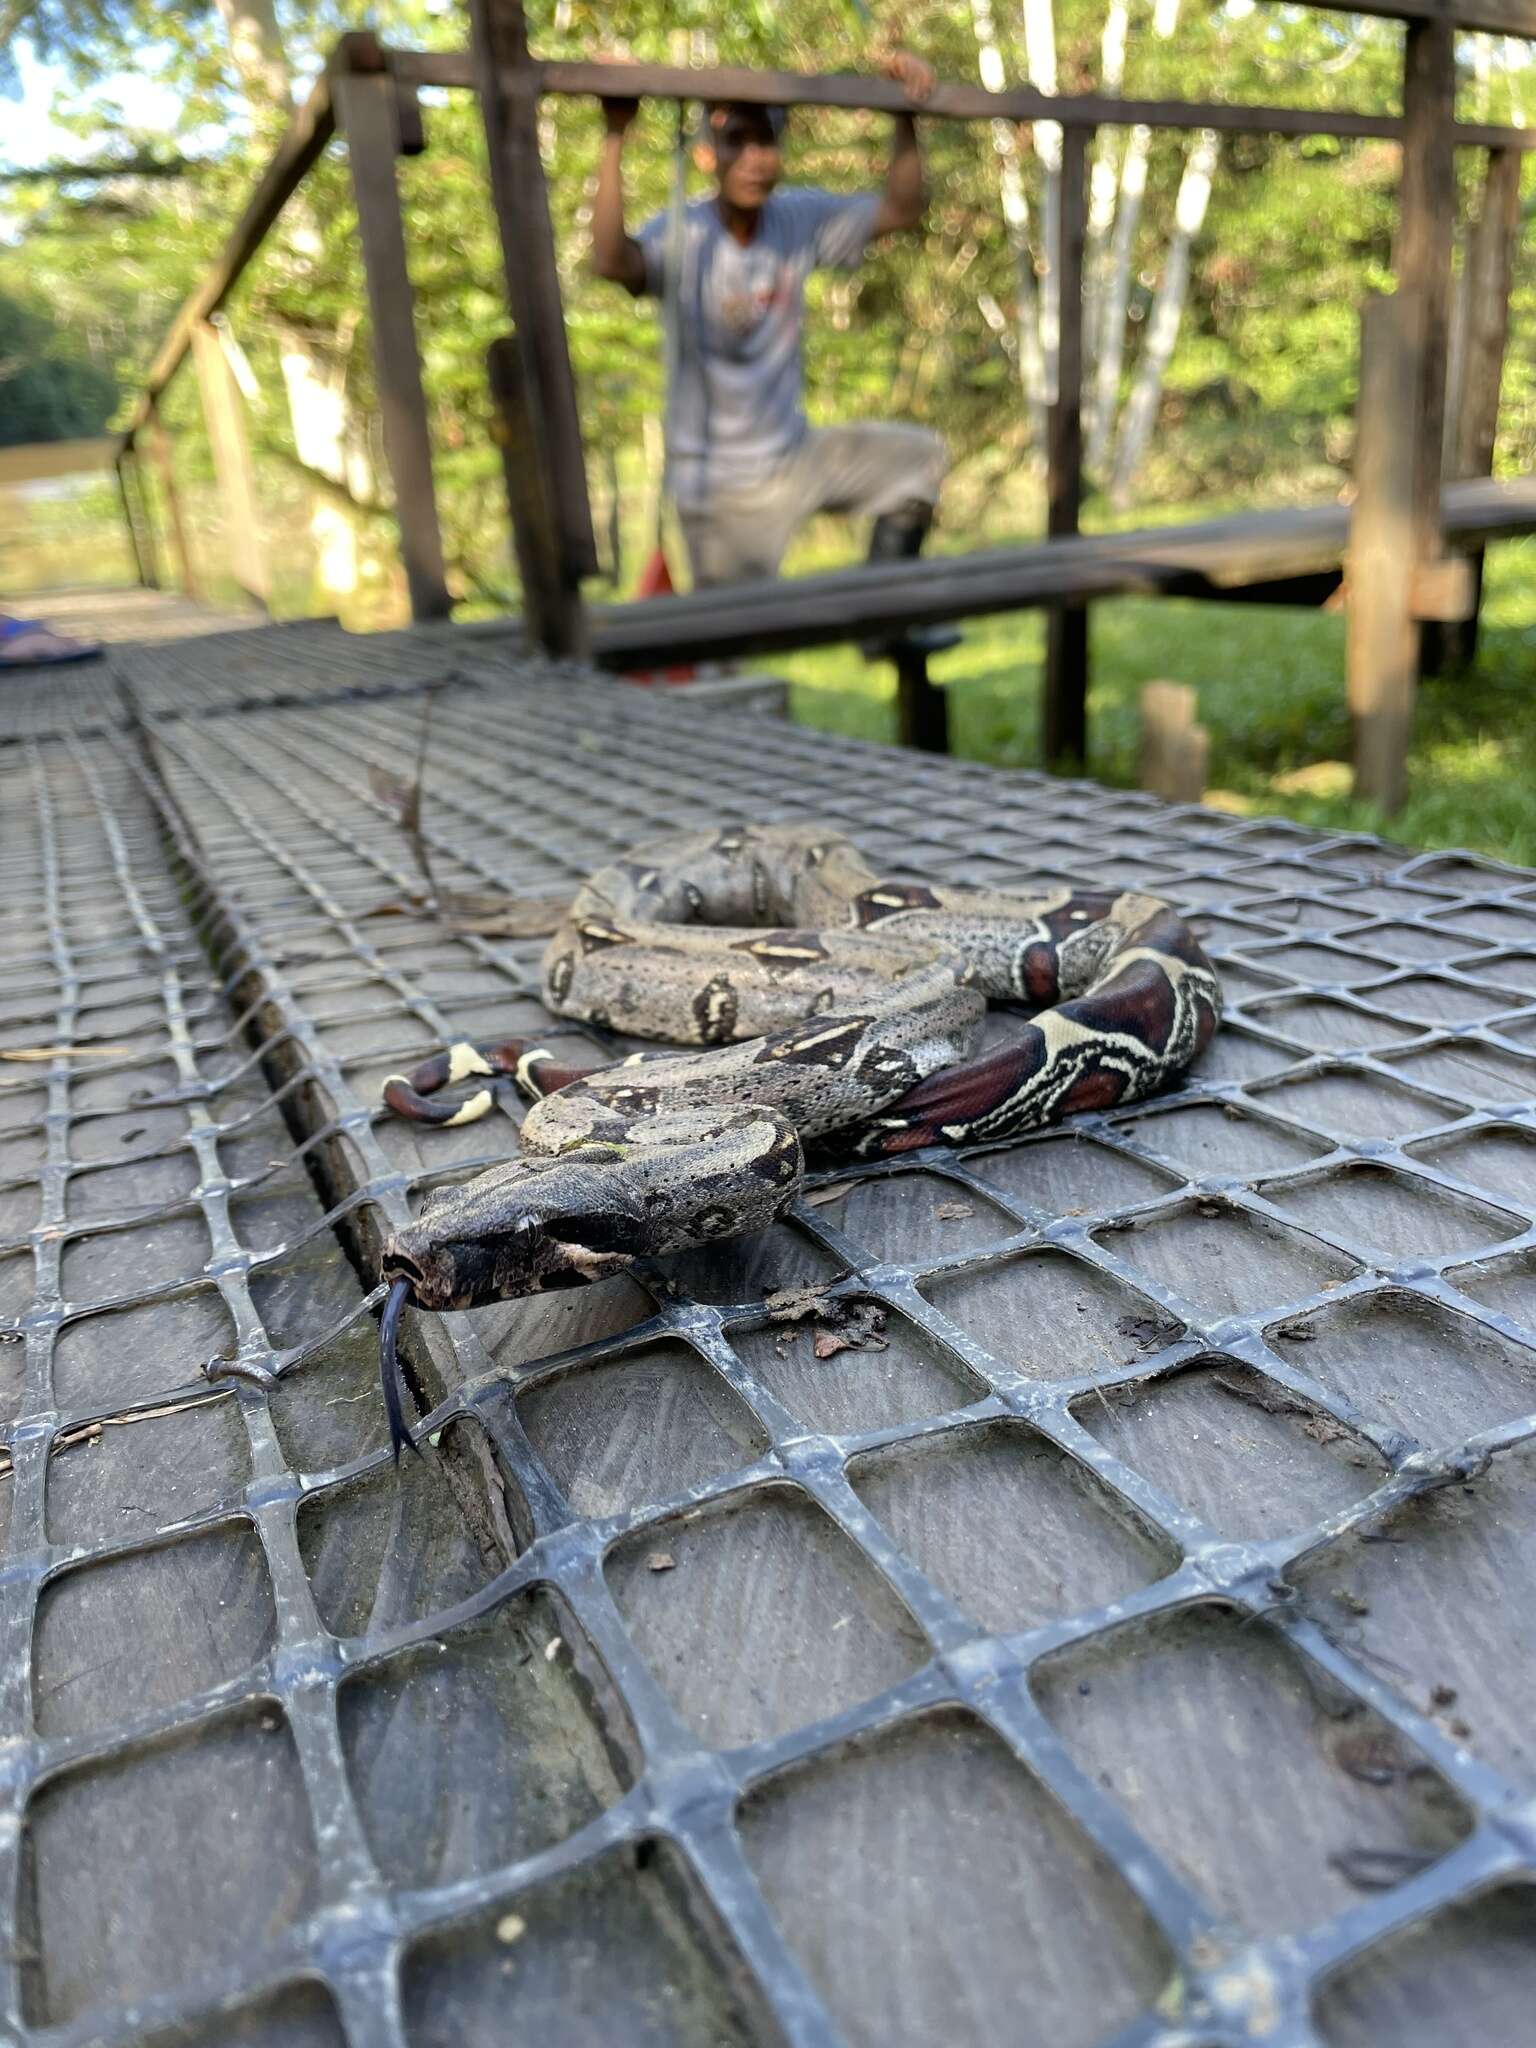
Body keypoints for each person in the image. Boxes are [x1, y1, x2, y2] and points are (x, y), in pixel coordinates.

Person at [591, 54, 947, 592]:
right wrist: (615, 134)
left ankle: (885, 625)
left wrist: (903, 114)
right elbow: (612, 261)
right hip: (719, 487)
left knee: (920, 461)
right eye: (738, 141)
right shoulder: (685, 233)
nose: (755, 160)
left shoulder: (795, 219)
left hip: (793, 456)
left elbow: (902, 207)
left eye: (767, 141)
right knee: (728, 643)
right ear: (710, 154)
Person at [0, 613, 101, 668]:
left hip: (16, 637)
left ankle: (51, 644)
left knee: (38, 636)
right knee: (38, 640)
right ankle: (50, 646)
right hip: (12, 645)